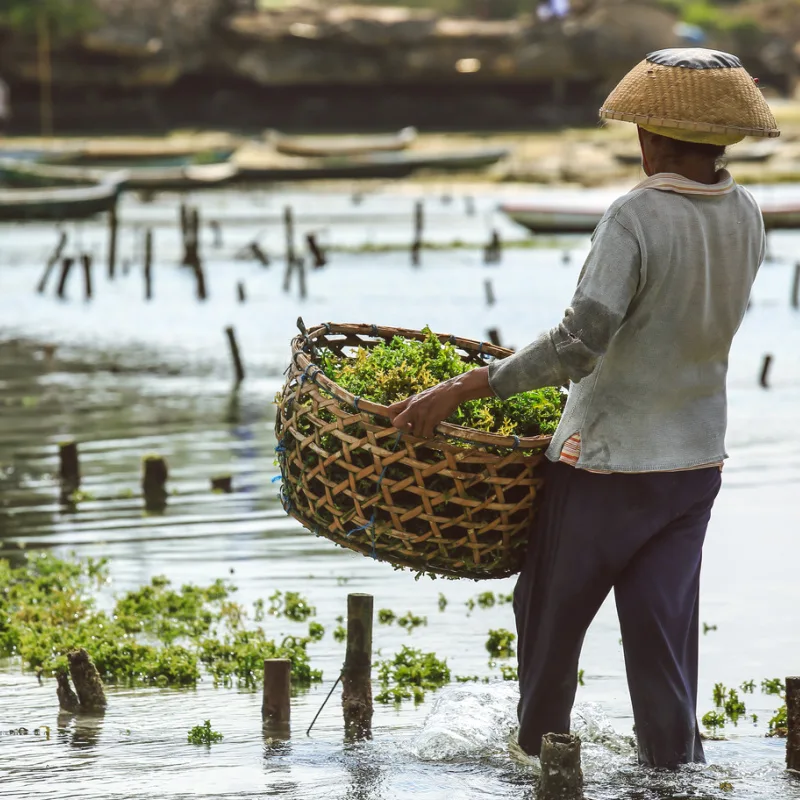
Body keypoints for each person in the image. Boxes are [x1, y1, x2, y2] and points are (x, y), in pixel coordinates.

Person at [387, 48, 779, 768]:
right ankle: (673, 771)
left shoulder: (635, 216)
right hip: (694, 464)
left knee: (547, 629)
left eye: (640, 131)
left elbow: (577, 344)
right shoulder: (747, 213)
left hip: (606, 464)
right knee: (663, 644)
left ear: (653, 138)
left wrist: (462, 387)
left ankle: (541, 767)